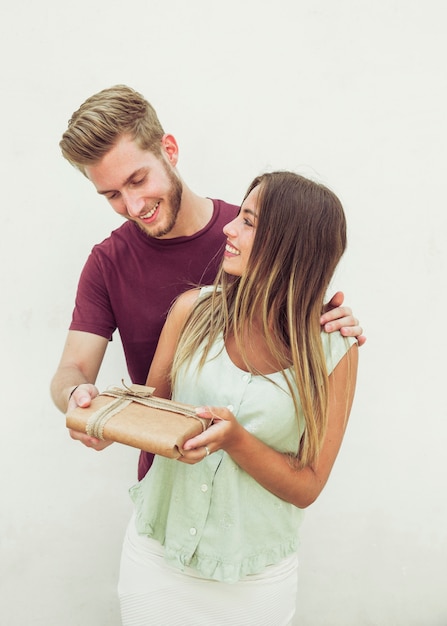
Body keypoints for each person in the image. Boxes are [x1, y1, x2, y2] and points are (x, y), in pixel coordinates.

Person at [50, 85, 364, 481]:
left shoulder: (253, 237)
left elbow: (304, 327)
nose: (132, 206)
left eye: (138, 179)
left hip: (251, 495)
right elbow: (72, 369)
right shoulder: (108, 262)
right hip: (165, 488)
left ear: (170, 150)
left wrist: (335, 326)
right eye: (112, 194)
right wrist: (76, 396)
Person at [117, 171, 359, 625]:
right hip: (156, 556)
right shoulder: (192, 310)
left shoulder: (334, 350)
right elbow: (148, 419)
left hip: (253, 579)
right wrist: (94, 407)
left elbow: (308, 486)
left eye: (247, 221)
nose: (229, 228)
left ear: (289, 245)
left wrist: (236, 439)